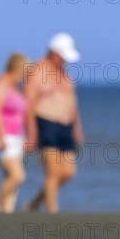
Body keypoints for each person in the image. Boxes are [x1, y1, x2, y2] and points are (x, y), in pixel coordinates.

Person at [25, 33, 84, 213]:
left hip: (66, 126)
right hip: (46, 123)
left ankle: (34, 203)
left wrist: (77, 126)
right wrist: (32, 133)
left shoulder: (64, 72)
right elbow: (29, 104)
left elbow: (71, 101)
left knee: (69, 172)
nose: (64, 60)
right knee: (53, 172)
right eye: (62, 56)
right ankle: (52, 211)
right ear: (53, 52)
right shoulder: (38, 70)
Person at [0, 53, 29, 213]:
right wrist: (0, 137)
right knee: (18, 175)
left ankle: (8, 211)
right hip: (2, 136)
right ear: (17, 68)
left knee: (10, 177)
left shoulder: (15, 87)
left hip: (16, 136)